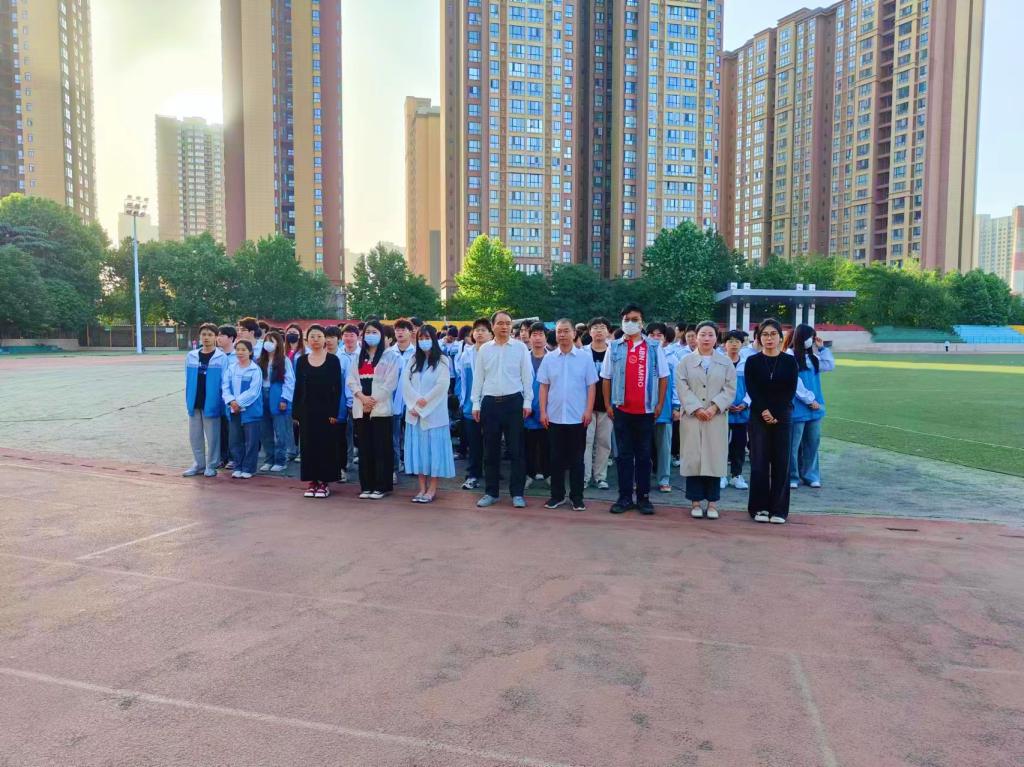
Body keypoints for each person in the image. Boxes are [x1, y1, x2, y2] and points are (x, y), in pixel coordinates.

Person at [600, 304, 669, 515]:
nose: (630, 322)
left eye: (635, 319)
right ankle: (624, 498)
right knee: (623, 456)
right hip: (621, 410)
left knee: (644, 456)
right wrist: (608, 404)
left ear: (642, 322)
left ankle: (643, 498)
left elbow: (664, 377)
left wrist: (659, 404)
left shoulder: (654, 347)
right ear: (622, 322)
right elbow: (606, 377)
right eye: (627, 319)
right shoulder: (614, 347)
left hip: (646, 411)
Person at [472, 310, 533, 509]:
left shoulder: (520, 348)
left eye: (508, 323)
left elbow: (527, 376)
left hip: (514, 402)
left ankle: (517, 493)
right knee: (490, 451)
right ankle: (491, 492)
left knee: (516, 450)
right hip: (490, 403)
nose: (504, 326)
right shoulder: (484, 350)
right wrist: (475, 403)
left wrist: (527, 401)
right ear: (493, 326)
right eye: (500, 323)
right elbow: (478, 378)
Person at [676, 321, 737, 520]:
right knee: (694, 458)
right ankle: (695, 501)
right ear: (696, 337)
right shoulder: (685, 362)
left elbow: (730, 389)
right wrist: (696, 408)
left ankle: (712, 503)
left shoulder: (725, 362)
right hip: (692, 418)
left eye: (710, 334)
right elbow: (682, 387)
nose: (706, 338)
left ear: (716, 338)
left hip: (715, 418)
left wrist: (714, 407)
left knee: (714, 458)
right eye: (702, 334)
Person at [538, 319, 598, 511]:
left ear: (574, 333)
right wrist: (543, 411)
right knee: (555, 459)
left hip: (577, 417)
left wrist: (588, 410)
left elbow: (591, 386)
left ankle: (577, 497)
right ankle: (556, 496)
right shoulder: (549, 358)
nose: (562, 335)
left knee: (577, 460)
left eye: (566, 331)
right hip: (554, 417)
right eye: (559, 331)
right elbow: (544, 386)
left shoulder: (584, 358)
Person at [744, 318, 800, 524]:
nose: (769, 338)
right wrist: (764, 411)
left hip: (783, 416)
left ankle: (778, 510)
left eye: (773, 334)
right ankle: (758, 507)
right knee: (759, 463)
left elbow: (790, 390)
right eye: (765, 334)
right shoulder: (752, 361)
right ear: (759, 338)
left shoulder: (789, 361)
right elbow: (752, 389)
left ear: (780, 337)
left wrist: (775, 412)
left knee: (781, 463)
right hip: (758, 416)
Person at [347, 320, 402, 499]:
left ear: (381, 335)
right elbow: (351, 380)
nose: (371, 335)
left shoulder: (390, 356)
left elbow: (390, 383)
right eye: (368, 332)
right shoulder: (358, 356)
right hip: (361, 406)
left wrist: (373, 401)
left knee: (381, 447)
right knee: (365, 448)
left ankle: (381, 486)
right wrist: (362, 398)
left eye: (374, 332)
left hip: (381, 408)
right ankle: (367, 485)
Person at [402, 325, 456, 503]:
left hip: (434, 415)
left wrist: (423, 404)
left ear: (433, 339)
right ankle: (421, 488)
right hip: (414, 415)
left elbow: (442, 386)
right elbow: (405, 383)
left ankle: (432, 488)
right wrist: (413, 404)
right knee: (418, 452)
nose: (424, 341)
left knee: (434, 453)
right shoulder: (413, 360)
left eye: (427, 338)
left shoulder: (442, 360)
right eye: (421, 338)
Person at [292, 325, 342, 498]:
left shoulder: (333, 360)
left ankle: (324, 482)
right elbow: (298, 387)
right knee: (308, 446)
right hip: (307, 410)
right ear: (307, 340)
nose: (316, 340)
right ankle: (312, 481)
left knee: (325, 446)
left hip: (326, 411)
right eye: (312, 336)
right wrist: (296, 412)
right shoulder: (301, 361)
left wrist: (334, 412)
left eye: (319, 336)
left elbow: (337, 388)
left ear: (325, 339)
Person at [784, 324, 835, 489]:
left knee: (812, 442)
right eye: (810, 337)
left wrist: (822, 349)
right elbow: (794, 383)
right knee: (793, 445)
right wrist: (809, 400)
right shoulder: (789, 356)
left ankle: (811, 475)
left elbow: (829, 365)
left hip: (815, 407)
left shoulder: (813, 358)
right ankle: (792, 476)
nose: (812, 341)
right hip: (798, 407)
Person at [183, 323, 228, 477]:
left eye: (210, 334)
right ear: (200, 336)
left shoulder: (221, 357)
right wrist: (188, 398)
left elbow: (225, 381)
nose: (206, 337)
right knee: (195, 436)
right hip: (194, 401)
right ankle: (199, 464)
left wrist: (222, 401)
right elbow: (188, 379)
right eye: (204, 334)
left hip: (212, 402)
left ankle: (211, 465)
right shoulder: (191, 356)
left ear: (216, 337)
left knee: (213, 436)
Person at [222, 339, 264, 479]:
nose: (240, 352)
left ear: (250, 352)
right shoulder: (231, 368)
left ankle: (249, 468)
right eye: (238, 349)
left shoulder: (255, 369)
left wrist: (238, 403)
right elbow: (225, 387)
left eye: (243, 350)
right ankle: (238, 466)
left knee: (251, 441)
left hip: (250, 411)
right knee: (235, 440)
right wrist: (231, 401)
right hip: (233, 410)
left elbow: (254, 391)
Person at [646, 322, 680, 494]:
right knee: (642, 446)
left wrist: (676, 406)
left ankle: (664, 479)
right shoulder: (641, 355)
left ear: (665, 338)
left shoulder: (672, 358)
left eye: (659, 335)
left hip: (665, 408)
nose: (655, 338)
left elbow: (676, 385)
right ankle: (641, 478)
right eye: (651, 334)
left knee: (664, 447)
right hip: (642, 408)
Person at [459, 318, 492, 490]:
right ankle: (473, 474)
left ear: (491, 334)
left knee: (491, 441)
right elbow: (463, 380)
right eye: (477, 330)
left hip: (491, 404)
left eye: (483, 330)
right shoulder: (466, 354)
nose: (479, 333)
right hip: (470, 406)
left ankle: (492, 473)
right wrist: (463, 401)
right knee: (474, 442)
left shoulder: (494, 352)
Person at [256, 330, 295, 473]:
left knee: (280, 431)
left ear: (278, 343)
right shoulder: (260, 360)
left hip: (277, 397)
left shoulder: (284, 360)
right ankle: (269, 459)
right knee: (265, 431)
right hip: (262, 396)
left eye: (272, 341)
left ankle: (280, 460)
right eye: (266, 340)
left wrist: (284, 399)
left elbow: (290, 381)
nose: (268, 344)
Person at [582, 317, 613, 491]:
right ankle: (585, 477)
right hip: (586, 406)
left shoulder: (614, 352)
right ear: (589, 331)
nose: (599, 330)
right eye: (595, 327)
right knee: (586, 442)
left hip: (607, 406)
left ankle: (600, 477)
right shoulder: (582, 352)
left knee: (604, 443)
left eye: (602, 327)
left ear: (608, 331)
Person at [723, 330, 751, 489]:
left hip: (742, 412)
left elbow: (753, 387)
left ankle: (736, 475)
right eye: (730, 341)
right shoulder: (719, 362)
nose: (733, 344)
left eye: (737, 341)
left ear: (742, 344)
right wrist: (724, 403)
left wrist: (745, 403)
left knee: (739, 444)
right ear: (724, 344)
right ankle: (721, 474)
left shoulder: (747, 363)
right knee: (721, 444)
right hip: (722, 411)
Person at [523, 321, 550, 487]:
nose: (538, 338)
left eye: (541, 334)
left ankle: (548, 474)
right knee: (529, 446)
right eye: (534, 334)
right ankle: (529, 474)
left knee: (548, 445)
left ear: (546, 338)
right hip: (527, 411)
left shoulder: (553, 358)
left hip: (548, 410)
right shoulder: (523, 358)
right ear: (529, 337)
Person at [391, 318, 417, 475]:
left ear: (410, 332)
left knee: (411, 435)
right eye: (397, 330)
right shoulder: (389, 353)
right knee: (394, 437)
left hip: (412, 401)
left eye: (403, 329)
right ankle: (395, 467)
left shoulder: (417, 353)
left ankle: (412, 464)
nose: (400, 332)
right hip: (394, 400)